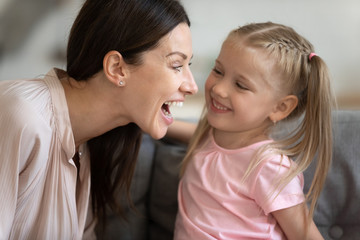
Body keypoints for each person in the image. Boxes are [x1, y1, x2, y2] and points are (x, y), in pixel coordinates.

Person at [0, 0, 198, 239]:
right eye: (177, 65)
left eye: (189, 65)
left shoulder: (95, 140)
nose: (192, 86)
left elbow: (226, 139)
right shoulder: (20, 115)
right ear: (117, 68)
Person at [174, 22, 334, 239]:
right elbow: (202, 142)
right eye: (218, 70)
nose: (218, 89)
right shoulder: (209, 137)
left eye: (241, 85)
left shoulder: (269, 167)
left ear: (280, 107)